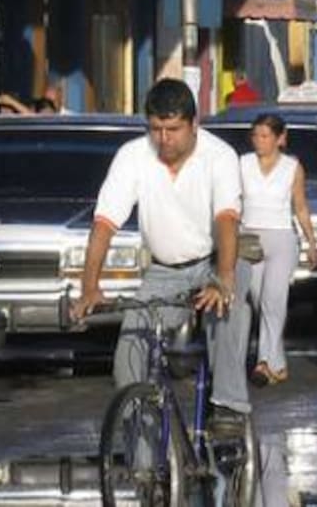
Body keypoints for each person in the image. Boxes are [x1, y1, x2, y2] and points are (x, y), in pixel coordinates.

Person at [70, 79, 253, 435]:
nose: (164, 139)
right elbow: (105, 224)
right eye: (155, 129)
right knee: (130, 353)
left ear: (193, 124)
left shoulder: (220, 156)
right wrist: (89, 287)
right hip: (165, 268)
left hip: (218, 258)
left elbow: (227, 220)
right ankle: (145, 466)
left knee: (229, 308)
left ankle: (228, 406)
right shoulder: (133, 156)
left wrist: (224, 278)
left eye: (173, 129)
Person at [241, 113, 317, 387]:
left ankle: (263, 361)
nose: (259, 141)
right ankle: (278, 362)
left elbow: (300, 206)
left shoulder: (292, 167)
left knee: (274, 299)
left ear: (279, 138)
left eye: (264, 136)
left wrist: (311, 242)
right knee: (259, 297)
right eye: (255, 136)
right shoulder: (243, 164)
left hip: (281, 238)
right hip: (249, 238)